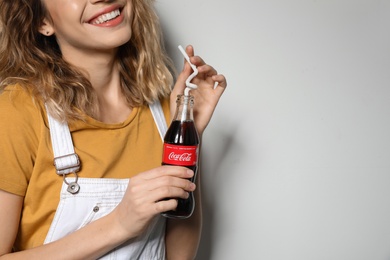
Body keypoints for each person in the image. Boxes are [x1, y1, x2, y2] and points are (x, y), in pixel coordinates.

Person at [0, 0, 227, 259]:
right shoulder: (16, 111)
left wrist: (189, 136)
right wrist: (119, 224)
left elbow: (178, 256)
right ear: (43, 22)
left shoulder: (166, 112)